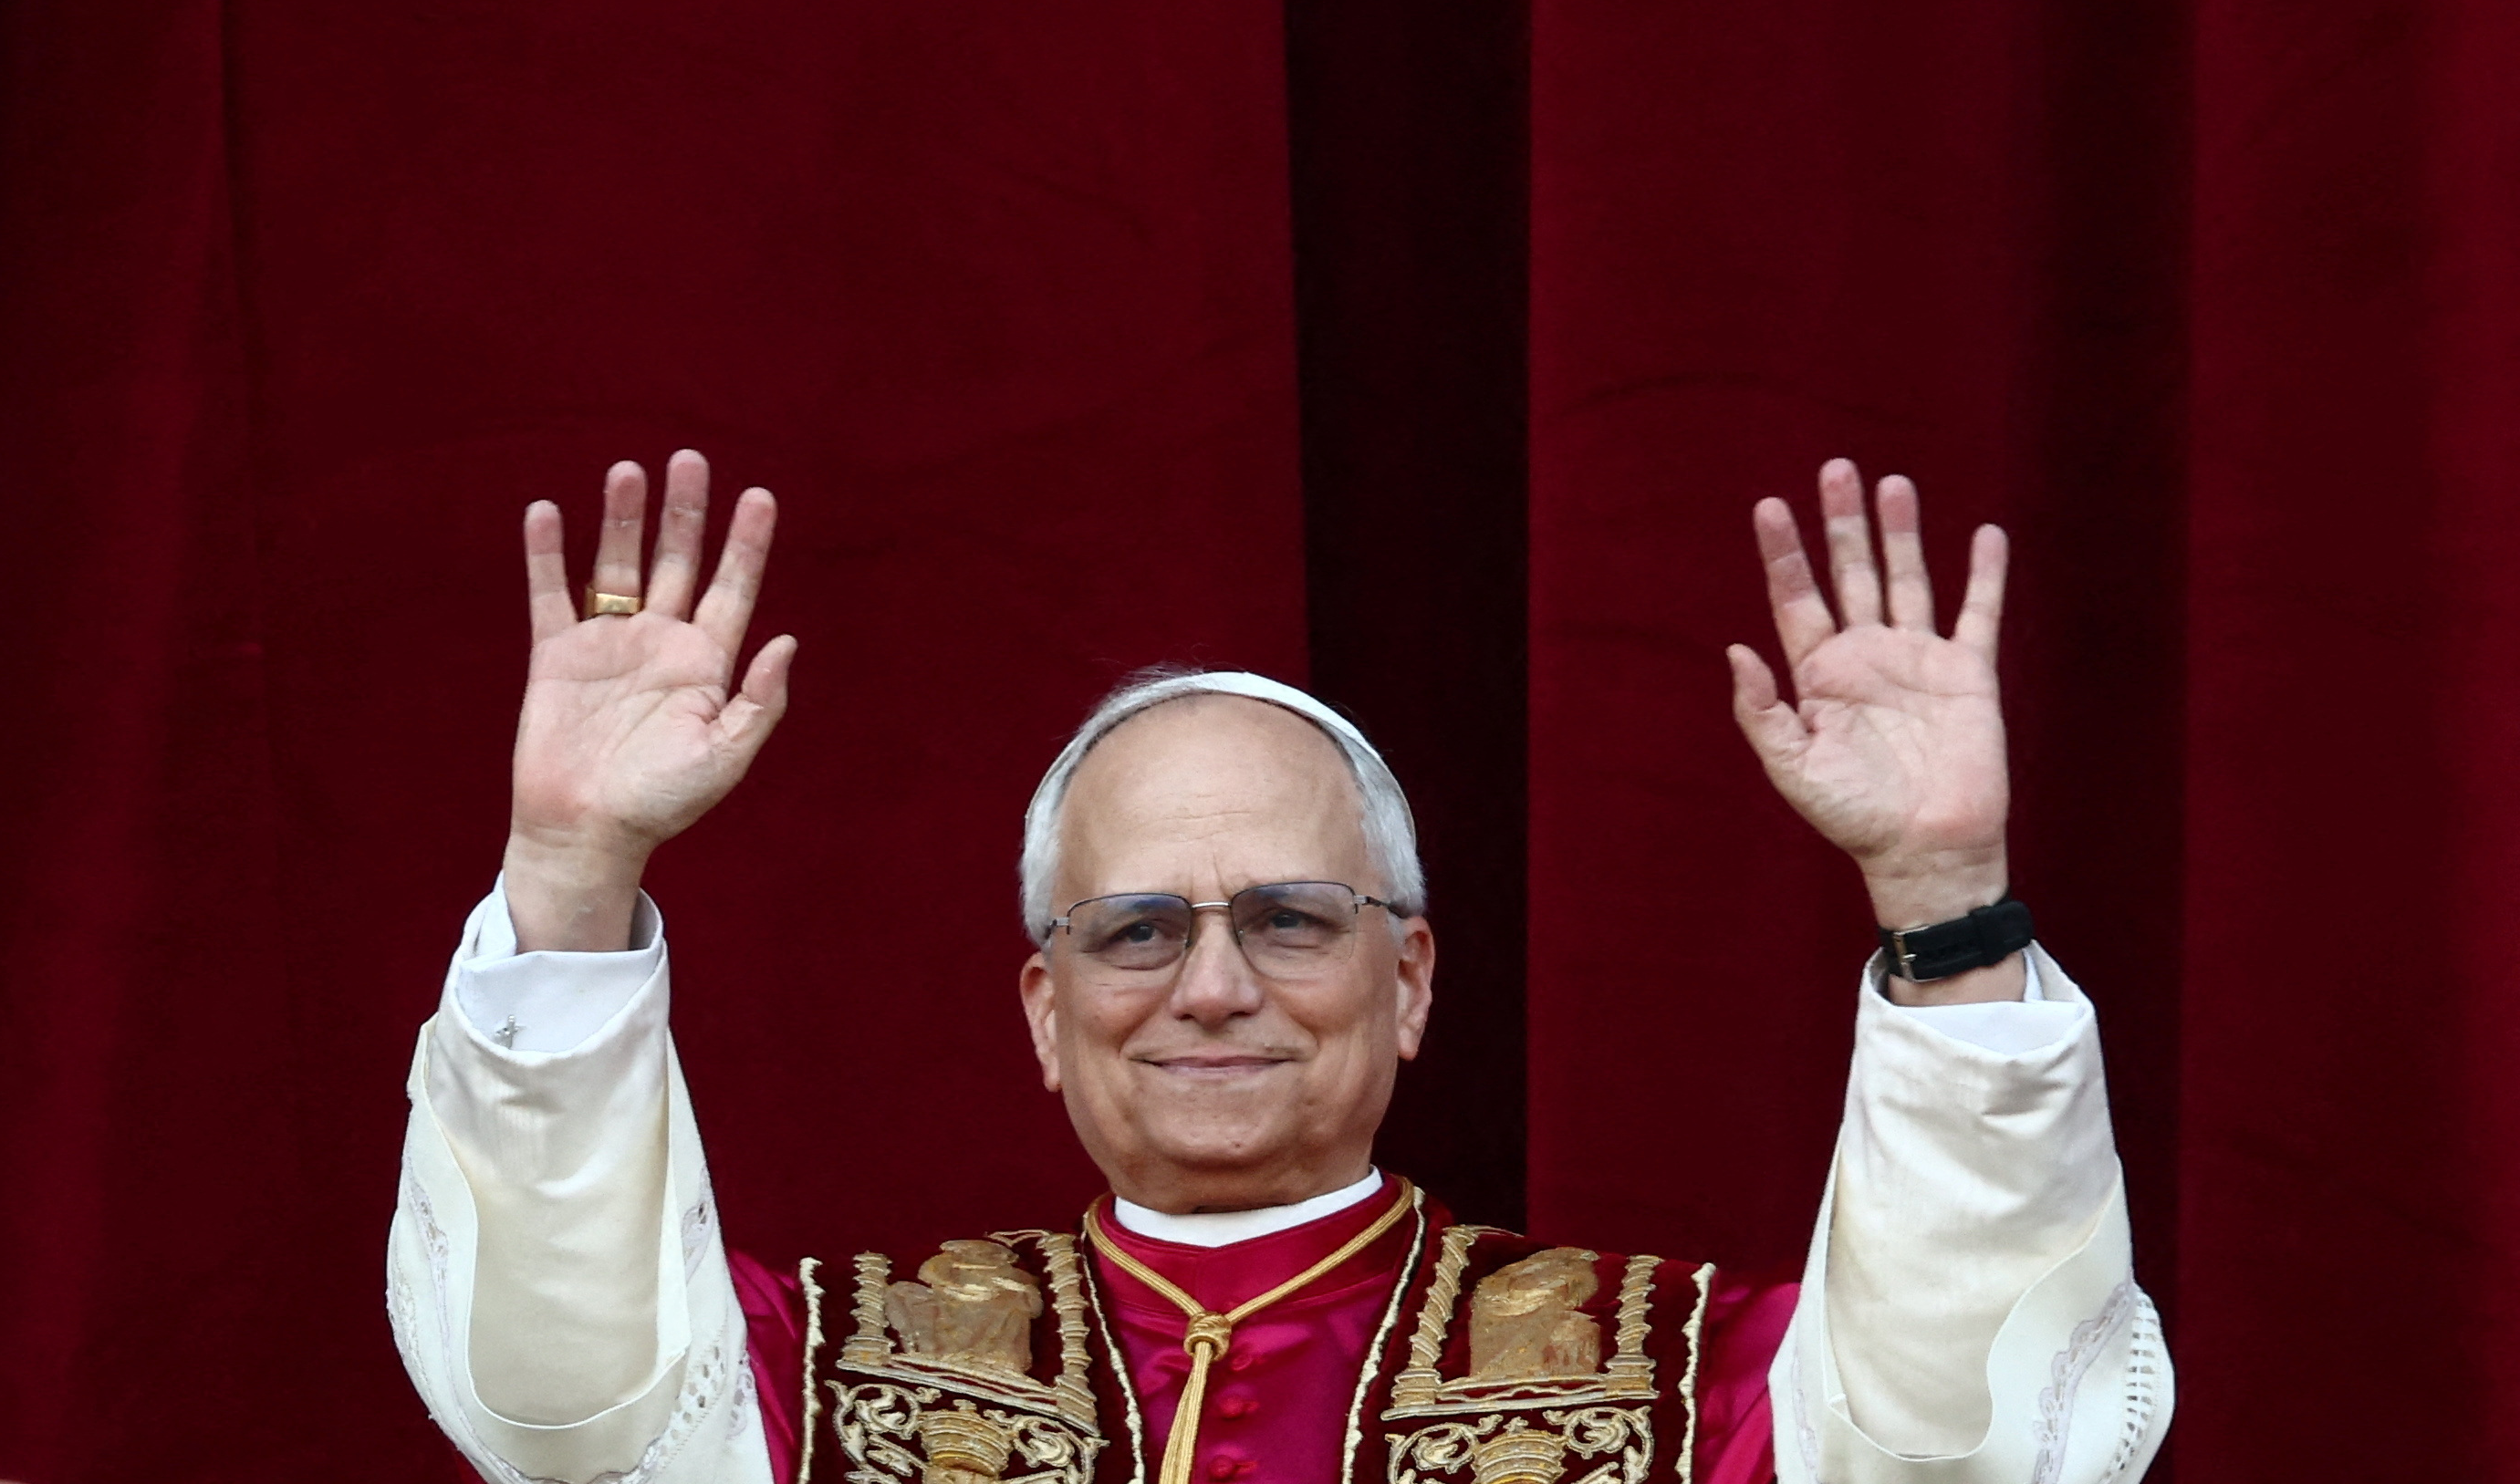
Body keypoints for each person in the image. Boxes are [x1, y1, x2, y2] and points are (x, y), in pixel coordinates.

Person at [389, 451, 2171, 1484]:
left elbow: (1975, 1442)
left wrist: (1946, 897)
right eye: (1139, 927)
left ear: (1409, 981)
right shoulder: (820, 1381)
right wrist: (573, 868)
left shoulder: (1681, 1392)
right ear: (1046, 1005)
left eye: (1291, 918)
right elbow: (568, 1399)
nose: (1214, 985)